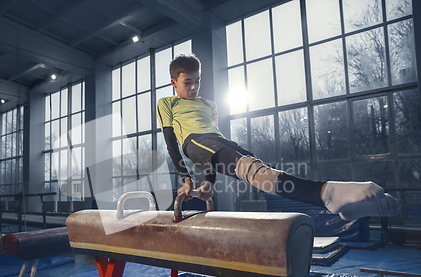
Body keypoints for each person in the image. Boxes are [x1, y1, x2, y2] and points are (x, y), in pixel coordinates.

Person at [157, 53, 400, 221]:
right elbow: (171, 143)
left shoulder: (209, 104)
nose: (193, 88)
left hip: (217, 143)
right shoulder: (167, 103)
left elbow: (214, 152)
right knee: (251, 170)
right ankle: (327, 194)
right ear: (173, 83)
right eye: (187, 82)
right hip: (194, 142)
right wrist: (187, 179)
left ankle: (337, 206)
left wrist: (209, 182)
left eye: (197, 81)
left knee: (262, 172)